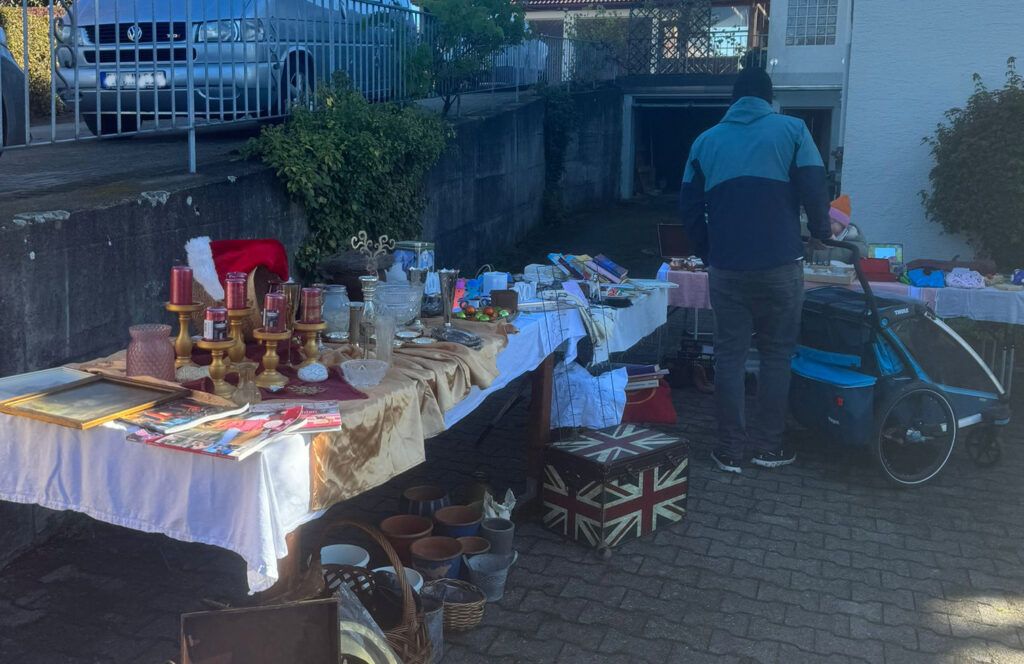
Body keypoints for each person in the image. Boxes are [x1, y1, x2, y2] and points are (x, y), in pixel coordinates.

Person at [679, 67, 831, 474]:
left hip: (727, 268)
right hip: (781, 265)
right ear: (769, 98)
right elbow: (815, 187)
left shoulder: (705, 141)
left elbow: (688, 208)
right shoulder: (793, 131)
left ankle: (729, 451)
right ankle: (769, 447)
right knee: (776, 355)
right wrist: (820, 232)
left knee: (729, 357)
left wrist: (708, 252)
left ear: (733, 100)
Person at [802, 194, 869, 264]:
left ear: (843, 225)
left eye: (831, 222)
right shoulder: (815, 235)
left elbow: (864, 253)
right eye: (825, 221)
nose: (826, 225)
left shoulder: (854, 242)